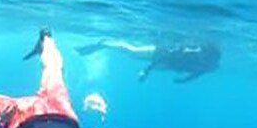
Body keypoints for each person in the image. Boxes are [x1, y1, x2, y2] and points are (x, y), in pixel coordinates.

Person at [76, 38, 221, 83]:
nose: (198, 53)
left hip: (169, 65)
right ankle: (103, 44)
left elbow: (198, 74)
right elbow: (165, 56)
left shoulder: (210, 65)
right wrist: (146, 71)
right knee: (131, 51)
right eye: (200, 51)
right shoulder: (188, 52)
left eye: (203, 53)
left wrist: (184, 80)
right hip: (159, 53)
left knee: (132, 55)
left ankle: (105, 44)